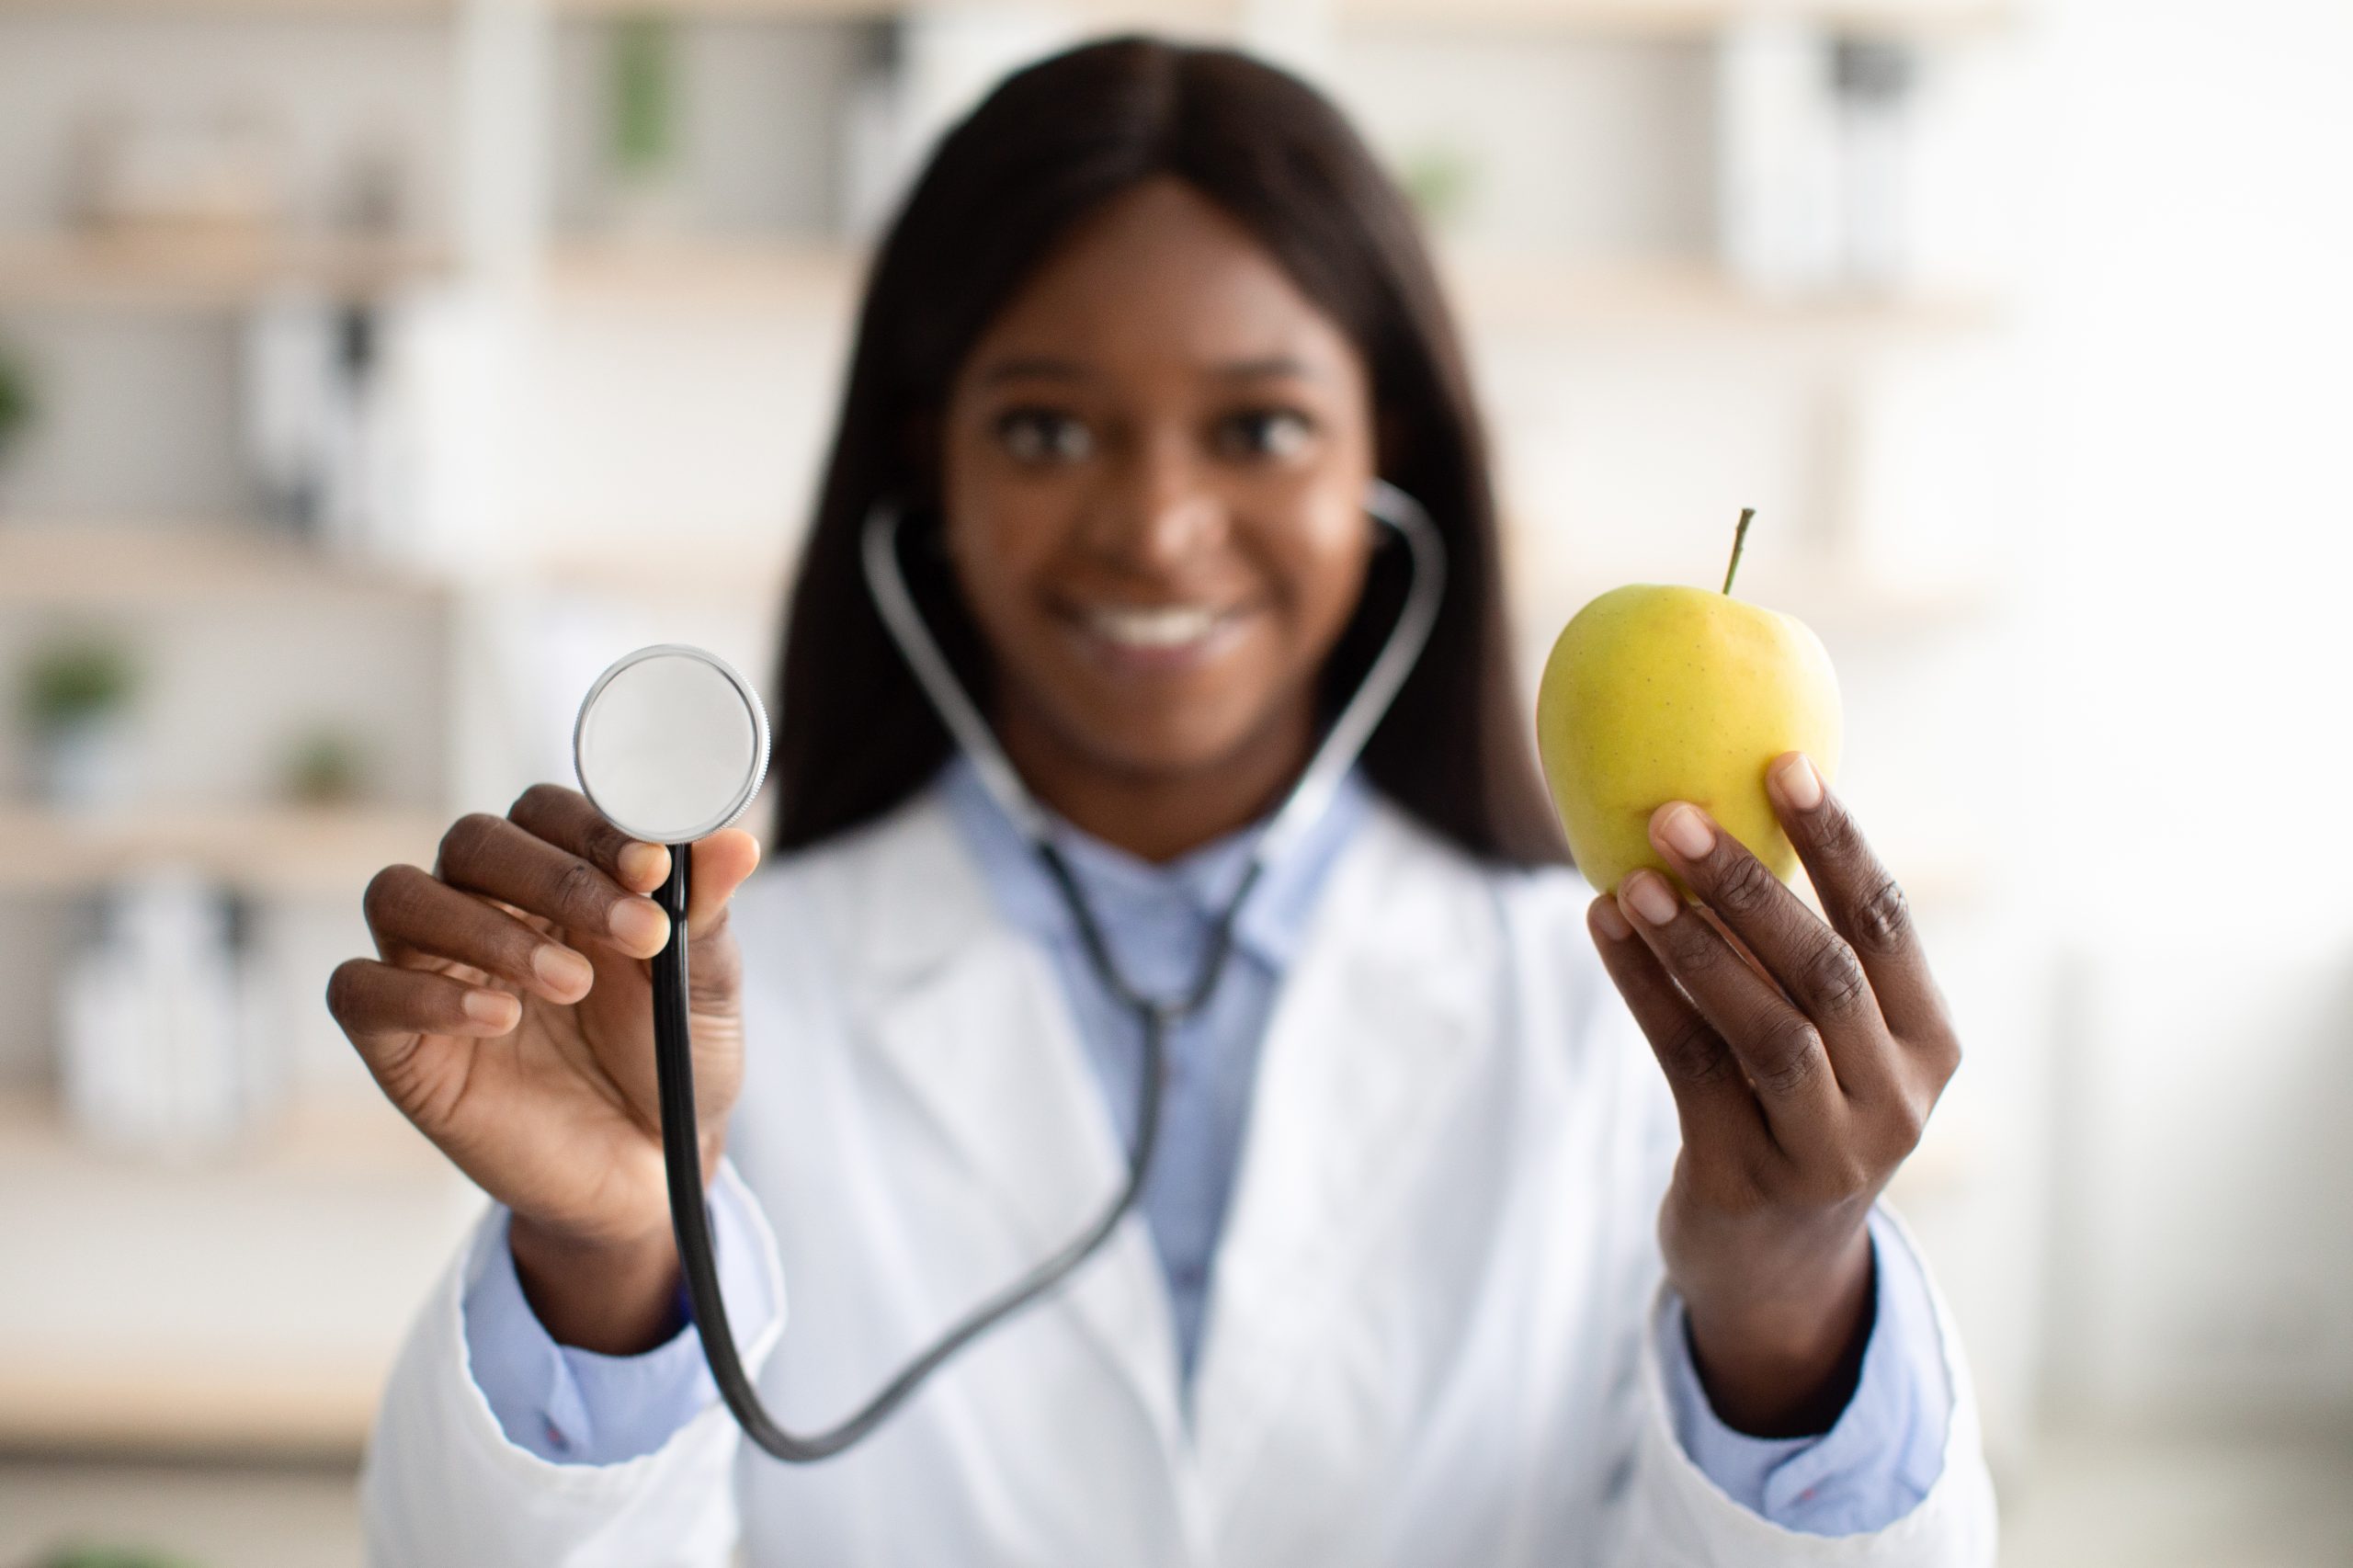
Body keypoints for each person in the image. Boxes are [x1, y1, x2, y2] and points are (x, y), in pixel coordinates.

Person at [329, 36, 1994, 1567]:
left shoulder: (1641, 1020)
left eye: (1260, 426)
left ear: (1382, 459)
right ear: (932, 468)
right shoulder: (686, 1020)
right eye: (1048, 429)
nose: (1159, 530)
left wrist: (1786, 1302)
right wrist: (608, 1264)